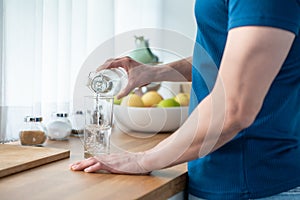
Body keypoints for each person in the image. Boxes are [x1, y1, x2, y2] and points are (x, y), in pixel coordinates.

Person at [70, 0, 300, 199]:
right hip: (222, 174)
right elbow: (225, 58)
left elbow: (234, 107)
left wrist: (144, 160)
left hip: (252, 181)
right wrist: (156, 72)